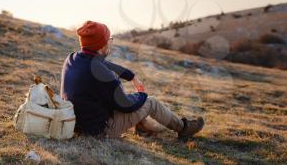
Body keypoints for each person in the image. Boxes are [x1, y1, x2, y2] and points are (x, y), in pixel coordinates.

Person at [60, 20, 204, 140]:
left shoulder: (73, 58)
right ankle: (183, 128)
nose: (110, 42)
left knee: (130, 100)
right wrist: (142, 95)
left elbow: (106, 65)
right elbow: (126, 105)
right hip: (97, 131)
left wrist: (132, 77)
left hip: (75, 123)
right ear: (102, 44)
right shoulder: (104, 75)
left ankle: (142, 127)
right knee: (150, 102)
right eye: (109, 39)